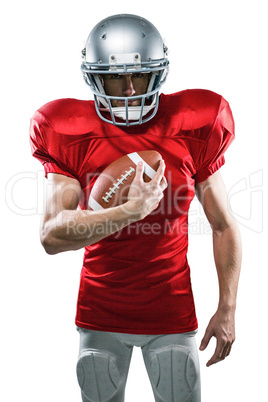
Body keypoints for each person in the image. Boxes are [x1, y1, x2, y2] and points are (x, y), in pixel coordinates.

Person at [30, 13, 242, 402]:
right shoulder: (69, 132)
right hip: (100, 313)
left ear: (158, 74)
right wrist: (130, 211)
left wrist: (227, 307)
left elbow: (223, 225)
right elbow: (51, 235)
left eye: (139, 76)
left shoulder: (193, 125)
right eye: (114, 77)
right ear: (94, 77)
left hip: (172, 312)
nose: (128, 90)